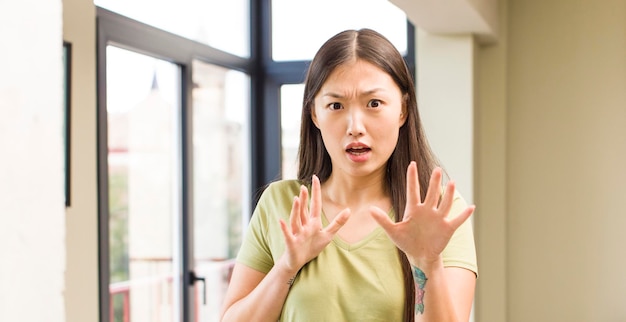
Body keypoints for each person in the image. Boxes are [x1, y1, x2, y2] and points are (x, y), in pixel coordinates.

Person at [220, 28, 477, 322]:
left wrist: (427, 264)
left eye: (374, 104)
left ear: (403, 110)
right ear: (314, 114)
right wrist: (287, 267)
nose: (355, 125)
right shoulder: (281, 202)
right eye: (336, 105)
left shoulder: (437, 211)